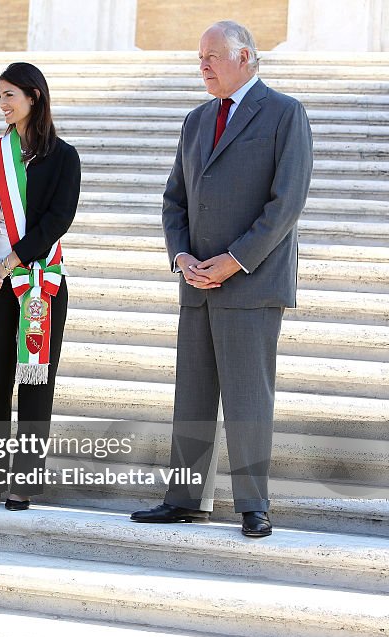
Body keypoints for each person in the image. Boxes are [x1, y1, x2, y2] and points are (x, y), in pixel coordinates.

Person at [130, 20, 312, 538]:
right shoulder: (195, 119)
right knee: (192, 394)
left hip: (251, 283)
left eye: (213, 56)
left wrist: (235, 260)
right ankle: (185, 498)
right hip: (197, 281)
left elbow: (286, 205)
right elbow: (174, 200)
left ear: (247, 58)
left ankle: (253, 503)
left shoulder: (284, 113)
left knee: (248, 397)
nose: (203, 65)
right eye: (200, 58)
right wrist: (182, 257)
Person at [0, 62, 81, 511]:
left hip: (37, 284)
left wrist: (12, 261)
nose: (1, 104)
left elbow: (57, 220)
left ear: (34, 96)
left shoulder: (64, 157)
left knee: (33, 379)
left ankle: (26, 479)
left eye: (9, 94)